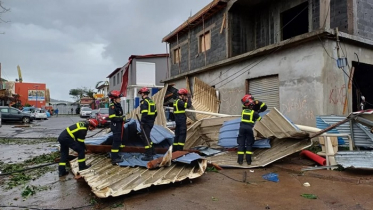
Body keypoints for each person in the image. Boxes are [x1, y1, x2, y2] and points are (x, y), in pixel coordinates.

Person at [237, 96, 262, 165]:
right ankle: (248, 161)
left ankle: (240, 161)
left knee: (241, 144)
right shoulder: (254, 113)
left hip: (242, 129)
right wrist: (258, 112)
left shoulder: (243, 112)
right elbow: (260, 119)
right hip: (249, 129)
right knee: (249, 144)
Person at [138, 87, 157, 161]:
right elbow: (156, 113)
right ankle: (152, 151)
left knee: (145, 138)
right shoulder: (151, 101)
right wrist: (152, 120)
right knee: (148, 137)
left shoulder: (144, 102)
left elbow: (144, 114)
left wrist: (142, 123)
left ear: (143, 94)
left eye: (141, 94)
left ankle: (148, 155)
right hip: (151, 122)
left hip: (146, 123)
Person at [108, 90, 125, 164]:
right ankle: (114, 158)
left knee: (118, 141)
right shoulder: (112, 106)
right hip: (116, 126)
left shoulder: (118, 105)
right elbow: (112, 117)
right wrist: (121, 118)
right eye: (119, 98)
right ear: (114, 99)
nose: (120, 99)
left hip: (119, 125)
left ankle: (116, 155)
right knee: (116, 141)